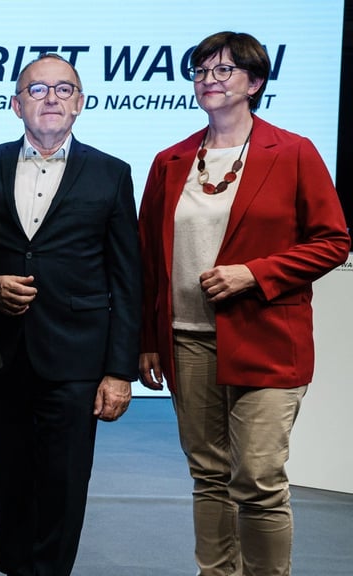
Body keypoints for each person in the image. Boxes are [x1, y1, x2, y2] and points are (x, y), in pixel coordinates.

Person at [137, 31, 349, 576]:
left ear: (255, 83)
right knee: (208, 476)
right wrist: (148, 341)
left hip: (267, 340)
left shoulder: (294, 151)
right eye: (202, 70)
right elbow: (147, 262)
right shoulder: (170, 160)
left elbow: (333, 240)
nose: (210, 79)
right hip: (187, 341)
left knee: (256, 478)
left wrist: (255, 273)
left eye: (224, 70)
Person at [0, 53, 141, 576]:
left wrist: (119, 370)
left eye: (64, 89)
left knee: (65, 482)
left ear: (81, 103)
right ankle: (16, 568)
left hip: (76, 357)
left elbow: (126, 277)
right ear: (16, 104)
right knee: (8, 475)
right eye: (38, 90)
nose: (51, 99)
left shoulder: (112, 174)